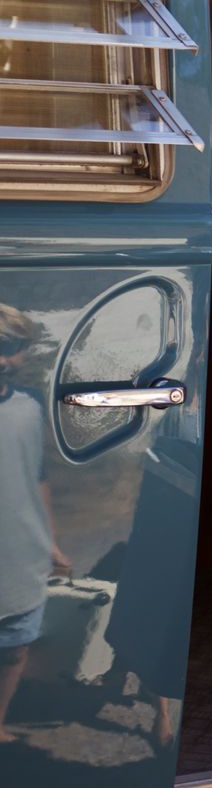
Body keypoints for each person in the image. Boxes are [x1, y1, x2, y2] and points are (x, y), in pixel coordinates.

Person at [0, 304, 67, 744]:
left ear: (24, 352)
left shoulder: (27, 408)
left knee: (16, 648)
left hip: (20, 555)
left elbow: (37, 475)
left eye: (11, 348)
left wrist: (53, 543)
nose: (2, 358)